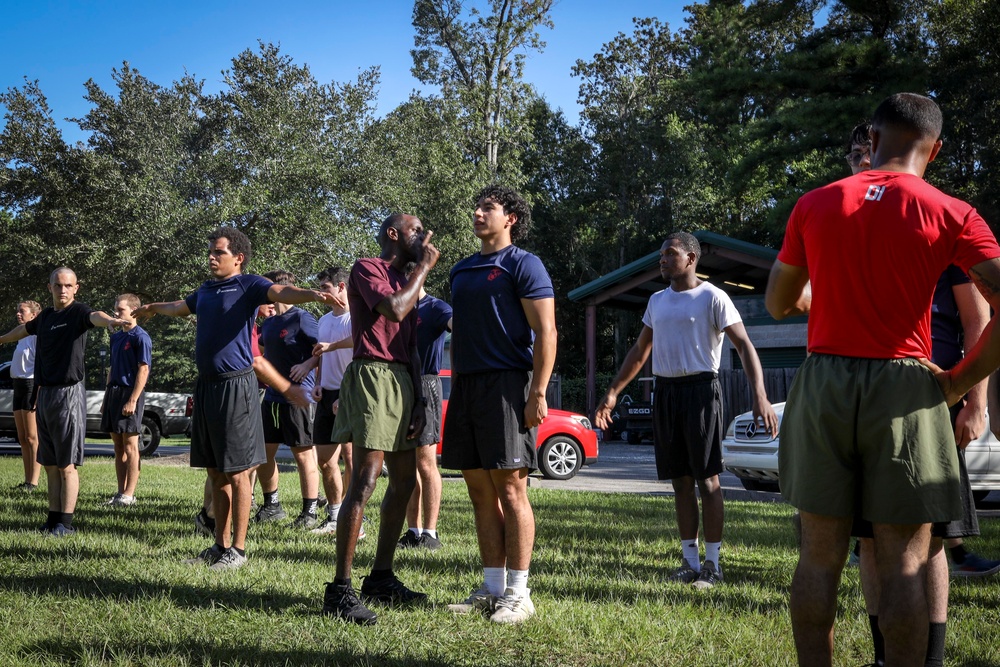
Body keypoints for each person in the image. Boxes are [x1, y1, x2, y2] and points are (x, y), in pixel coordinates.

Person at [765, 93, 1000, 666]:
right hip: (906, 385)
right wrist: (959, 381)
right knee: (904, 560)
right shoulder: (951, 210)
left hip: (822, 380)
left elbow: (778, 303)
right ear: (935, 148)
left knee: (818, 557)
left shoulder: (815, 203)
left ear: (871, 140)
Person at [843, 122, 1000, 667]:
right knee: (867, 539)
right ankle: (886, 655)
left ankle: (927, 659)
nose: (865, 162)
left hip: (932, 393)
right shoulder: (844, 225)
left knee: (929, 538)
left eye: (871, 151)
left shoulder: (935, 219)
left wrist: (974, 399)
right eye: (856, 155)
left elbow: (978, 315)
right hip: (861, 400)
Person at [136, 226, 335, 570]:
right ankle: (219, 545)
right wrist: (153, 307)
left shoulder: (249, 285)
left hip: (237, 387)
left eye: (219, 252)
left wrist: (315, 296)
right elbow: (181, 307)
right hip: (207, 387)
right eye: (211, 252)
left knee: (241, 472)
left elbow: (282, 290)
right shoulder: (206, 290)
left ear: (238, 258)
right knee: (216, 473)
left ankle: (238, 551)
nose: (212, 257)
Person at [595, 232, 777, 590]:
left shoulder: (713, 296)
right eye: (661, 254)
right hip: (666, 392)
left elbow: (744, 345)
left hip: (701, 392)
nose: (662, 260)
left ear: (691, 258)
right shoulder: (657, 301)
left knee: (707, 481)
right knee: (679, 481)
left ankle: (713, 564)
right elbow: (639, 352)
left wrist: (760, 395)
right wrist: (613, 391)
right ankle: (689, 561)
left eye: (670, 254)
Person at [440, 185, 557, 624]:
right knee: (478, 492)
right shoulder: (461, 269)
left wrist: (537, 392)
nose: (477, 212)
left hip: (508, 386)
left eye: (487, 207)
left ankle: (519, 593)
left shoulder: (523, 264)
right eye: (477, 206)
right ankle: (491, 588)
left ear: (510, 218)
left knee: (511, 488)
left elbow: (546, 332)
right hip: (467, 388)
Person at [321, 213, 438, 625]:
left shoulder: (410, 280)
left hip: (405, 378)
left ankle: (381, 577)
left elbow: (413, 338)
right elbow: (392, 310)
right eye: (415, 230)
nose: (422, 236)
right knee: (366, 479)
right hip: (373, 374)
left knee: (406, 480)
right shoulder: (368, 268)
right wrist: (424, 267)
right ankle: (339, 589)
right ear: (393, 234)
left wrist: (422, 398)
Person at [0, 268, 128, 536]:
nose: (63, 290)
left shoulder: (79, 312)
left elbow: (97, 317)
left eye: (68, 286)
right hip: (44, 393)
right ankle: (53, 519)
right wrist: (1, 339)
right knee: (49, 463)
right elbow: (23, 330)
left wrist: (111, 322)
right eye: (58, 285)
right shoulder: (45, 317)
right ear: (50, 288)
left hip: (68, 394)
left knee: (66, 464)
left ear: (76, 288)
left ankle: (65, 524)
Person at [253, 269, 322, 529]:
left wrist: (307, 364)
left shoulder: (303, 318)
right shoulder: (269, 323)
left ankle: (310, 512)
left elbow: (323, 349)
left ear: (278, 289)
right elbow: (261, 351)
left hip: (299, 398)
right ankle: (272, 506)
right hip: (272, 398)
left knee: (303, 455)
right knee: (263, 454)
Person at [397, 281, 452, 551]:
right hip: (399, 384)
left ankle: (430, 532)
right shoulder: (398, 309)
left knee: (426, 463)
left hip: (427, 383)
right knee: (406, 463)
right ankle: (413, 530)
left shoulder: (437, 308)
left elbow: (459, 327)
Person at [309, 267, 356, 537]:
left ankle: (353, 514)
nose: (322, 294)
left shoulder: (355, 318)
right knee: (326, 462)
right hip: (325, 394)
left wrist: (345, 396)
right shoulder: (324, 320)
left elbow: (359, 348)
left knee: (351, 458)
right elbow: (321, 354)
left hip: (347, 393)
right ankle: (335, 516)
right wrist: (317, 381)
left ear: (340, 286)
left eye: (325, 288)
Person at [101, 293, 152, 507]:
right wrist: (106, 397)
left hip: (130, 393)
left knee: (131, 445)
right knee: (118, 445)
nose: (115, 313)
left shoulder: (141, 337)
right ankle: (120, 493)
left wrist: (132, 399)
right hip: (114, 393)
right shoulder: (115, 337)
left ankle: (129, 495)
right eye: (115, 309)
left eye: (120, 309)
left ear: (133, 311)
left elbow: (144, 369)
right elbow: (112, 369)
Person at [10, 300, 42, 492]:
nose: (18, 314)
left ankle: (33, 482)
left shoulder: (37, 336)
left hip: (31, 385)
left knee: (32, 437)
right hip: (18, 385)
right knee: (22, 437)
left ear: (34, 316)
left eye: (22, 311)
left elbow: (40, 365)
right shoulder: (21, 334)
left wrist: (38, 392)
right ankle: (26, 480)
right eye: (17, 311)